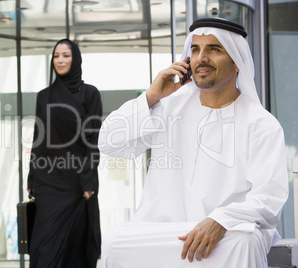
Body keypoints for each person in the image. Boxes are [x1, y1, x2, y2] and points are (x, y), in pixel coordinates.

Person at [98, 18, 288, 268]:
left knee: (245, 241)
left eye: (214, 49)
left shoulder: (260, 123)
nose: (202, 57)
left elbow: (268, 197)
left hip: (225, 235)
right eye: (196, 50)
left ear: (237, 61)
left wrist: (219, 220)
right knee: (114, 242)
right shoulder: (169, 107)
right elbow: (109, 141)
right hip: (166, 233)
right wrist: (151, 96)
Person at [27, 39, 102, 268]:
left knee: (75, 246)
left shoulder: (90, 94)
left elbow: (93, 140)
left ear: (76, 59)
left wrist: (88, 181)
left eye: (66, 55)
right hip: (48, 181)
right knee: (43, 248)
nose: (60, 60)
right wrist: (31, 178)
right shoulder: (44, 96)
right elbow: (38, 138)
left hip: (78, 182)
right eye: (56, 55)